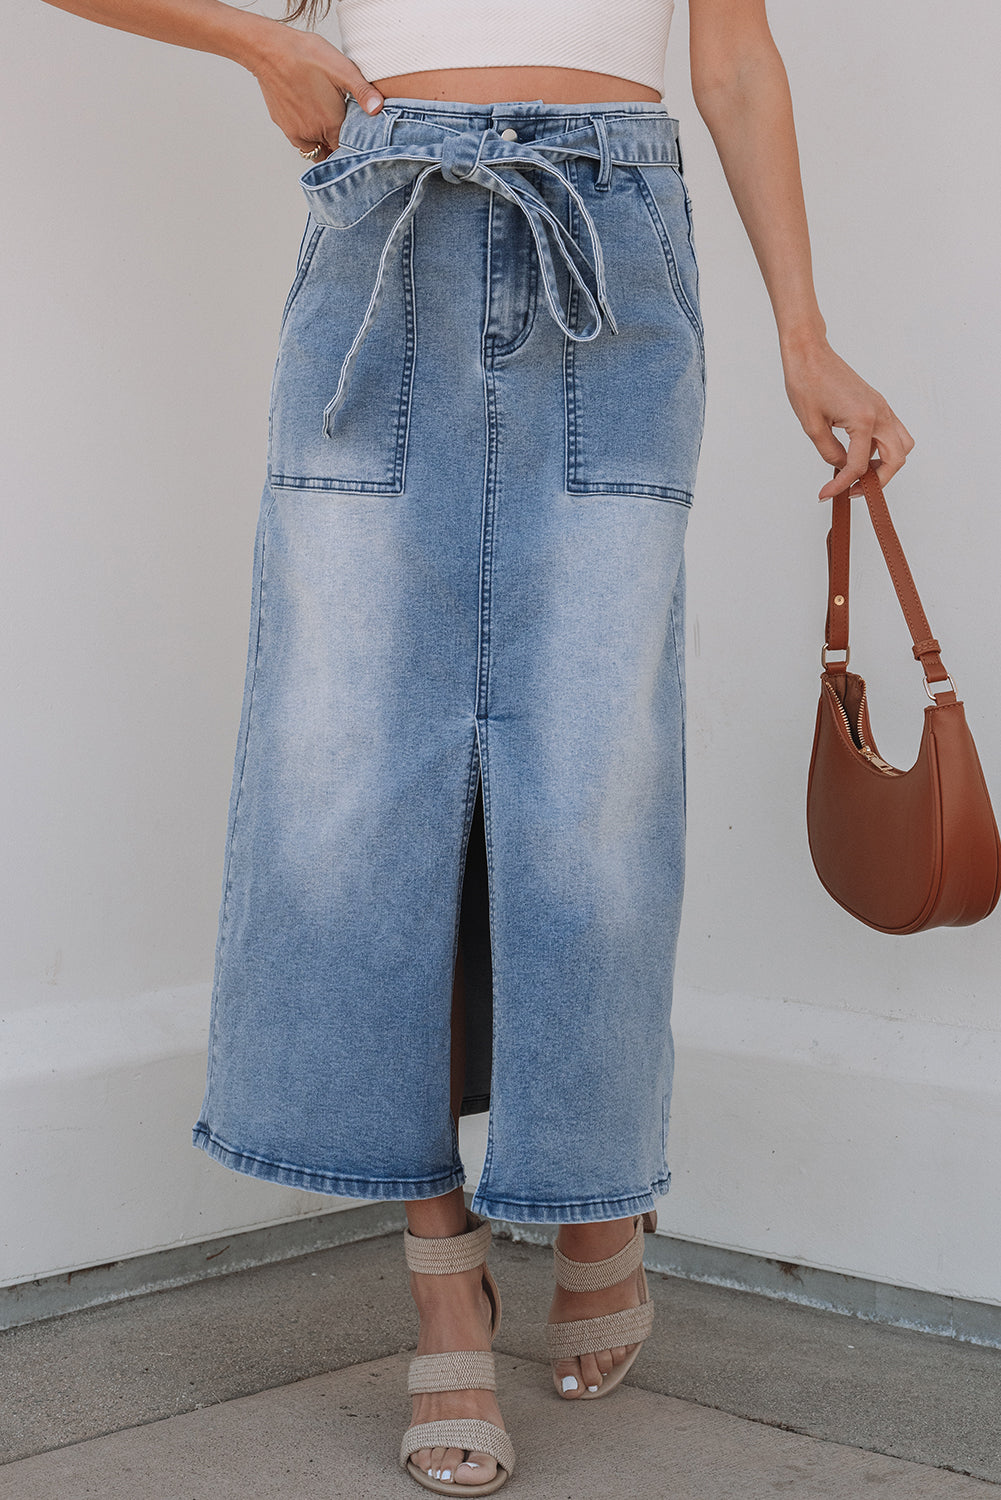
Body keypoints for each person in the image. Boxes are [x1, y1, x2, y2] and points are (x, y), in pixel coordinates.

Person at [39, 0, 913, 1492]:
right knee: (352, 776)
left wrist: (804, 335)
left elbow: (731, 56)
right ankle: (443, 1274)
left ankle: (595, 1198)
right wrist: (262, 45)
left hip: (613, 238)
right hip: (386, 231)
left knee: (595, 777)